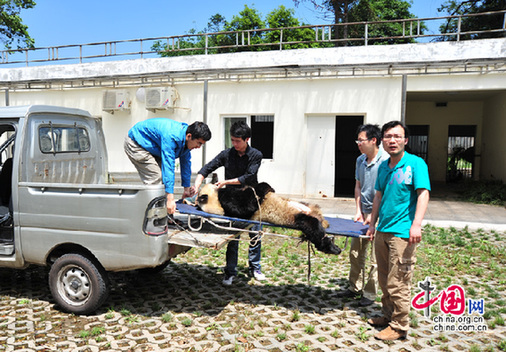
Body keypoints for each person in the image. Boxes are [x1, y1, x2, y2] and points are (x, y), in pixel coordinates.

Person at [366, 120, 430, 341]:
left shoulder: (416, 164)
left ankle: (400, 326)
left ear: (405, 140)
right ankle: (388, 315)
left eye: (396, 136)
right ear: (382, 141)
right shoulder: (384, 166)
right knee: (384, 279)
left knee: (399, 280)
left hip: (403, 232)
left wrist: (416, 224)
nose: (392, 140)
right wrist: (372, 224)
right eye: (388, 136)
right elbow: (378, 196)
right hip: (383, 230)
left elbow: (423, 194)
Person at [194, 121, 264, 285]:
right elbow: (208, 167)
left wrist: (225, 182)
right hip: (232, 202)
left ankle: (255, 268)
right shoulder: (226, 154)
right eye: (232, 140)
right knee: (233, 237)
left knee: (255, 235)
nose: (234, 144)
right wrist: (197, 183)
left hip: (251, 199)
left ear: (246, 139)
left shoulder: (256, 155)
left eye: (237, 141)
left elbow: (249, 176)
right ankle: (230, 272)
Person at [337, 124, 387, 306]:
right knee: (355, 252)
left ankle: (370, 293)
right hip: (362, 213)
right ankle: (354, 287)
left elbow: (383, 194)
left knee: (375, 257)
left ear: (374, 141)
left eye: (361, 140)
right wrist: (358, 211)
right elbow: (358, 187)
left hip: (380, 215)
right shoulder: (360, 160)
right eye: (357, 140)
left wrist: (372, 218)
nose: (358, 143)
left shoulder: (386, 161)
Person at [124, 118, 212, 214]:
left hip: (153, 146)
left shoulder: (186, 139)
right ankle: (152, 216)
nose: (199, 147)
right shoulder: (172, 136)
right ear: (189, 136)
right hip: (136, 143)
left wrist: (186, 188)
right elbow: (168, 166)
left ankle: (165, 214)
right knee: (156, 177)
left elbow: (186, 162)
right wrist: (170, 198)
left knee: (164, 181)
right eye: (199, 143)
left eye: (202, 145)